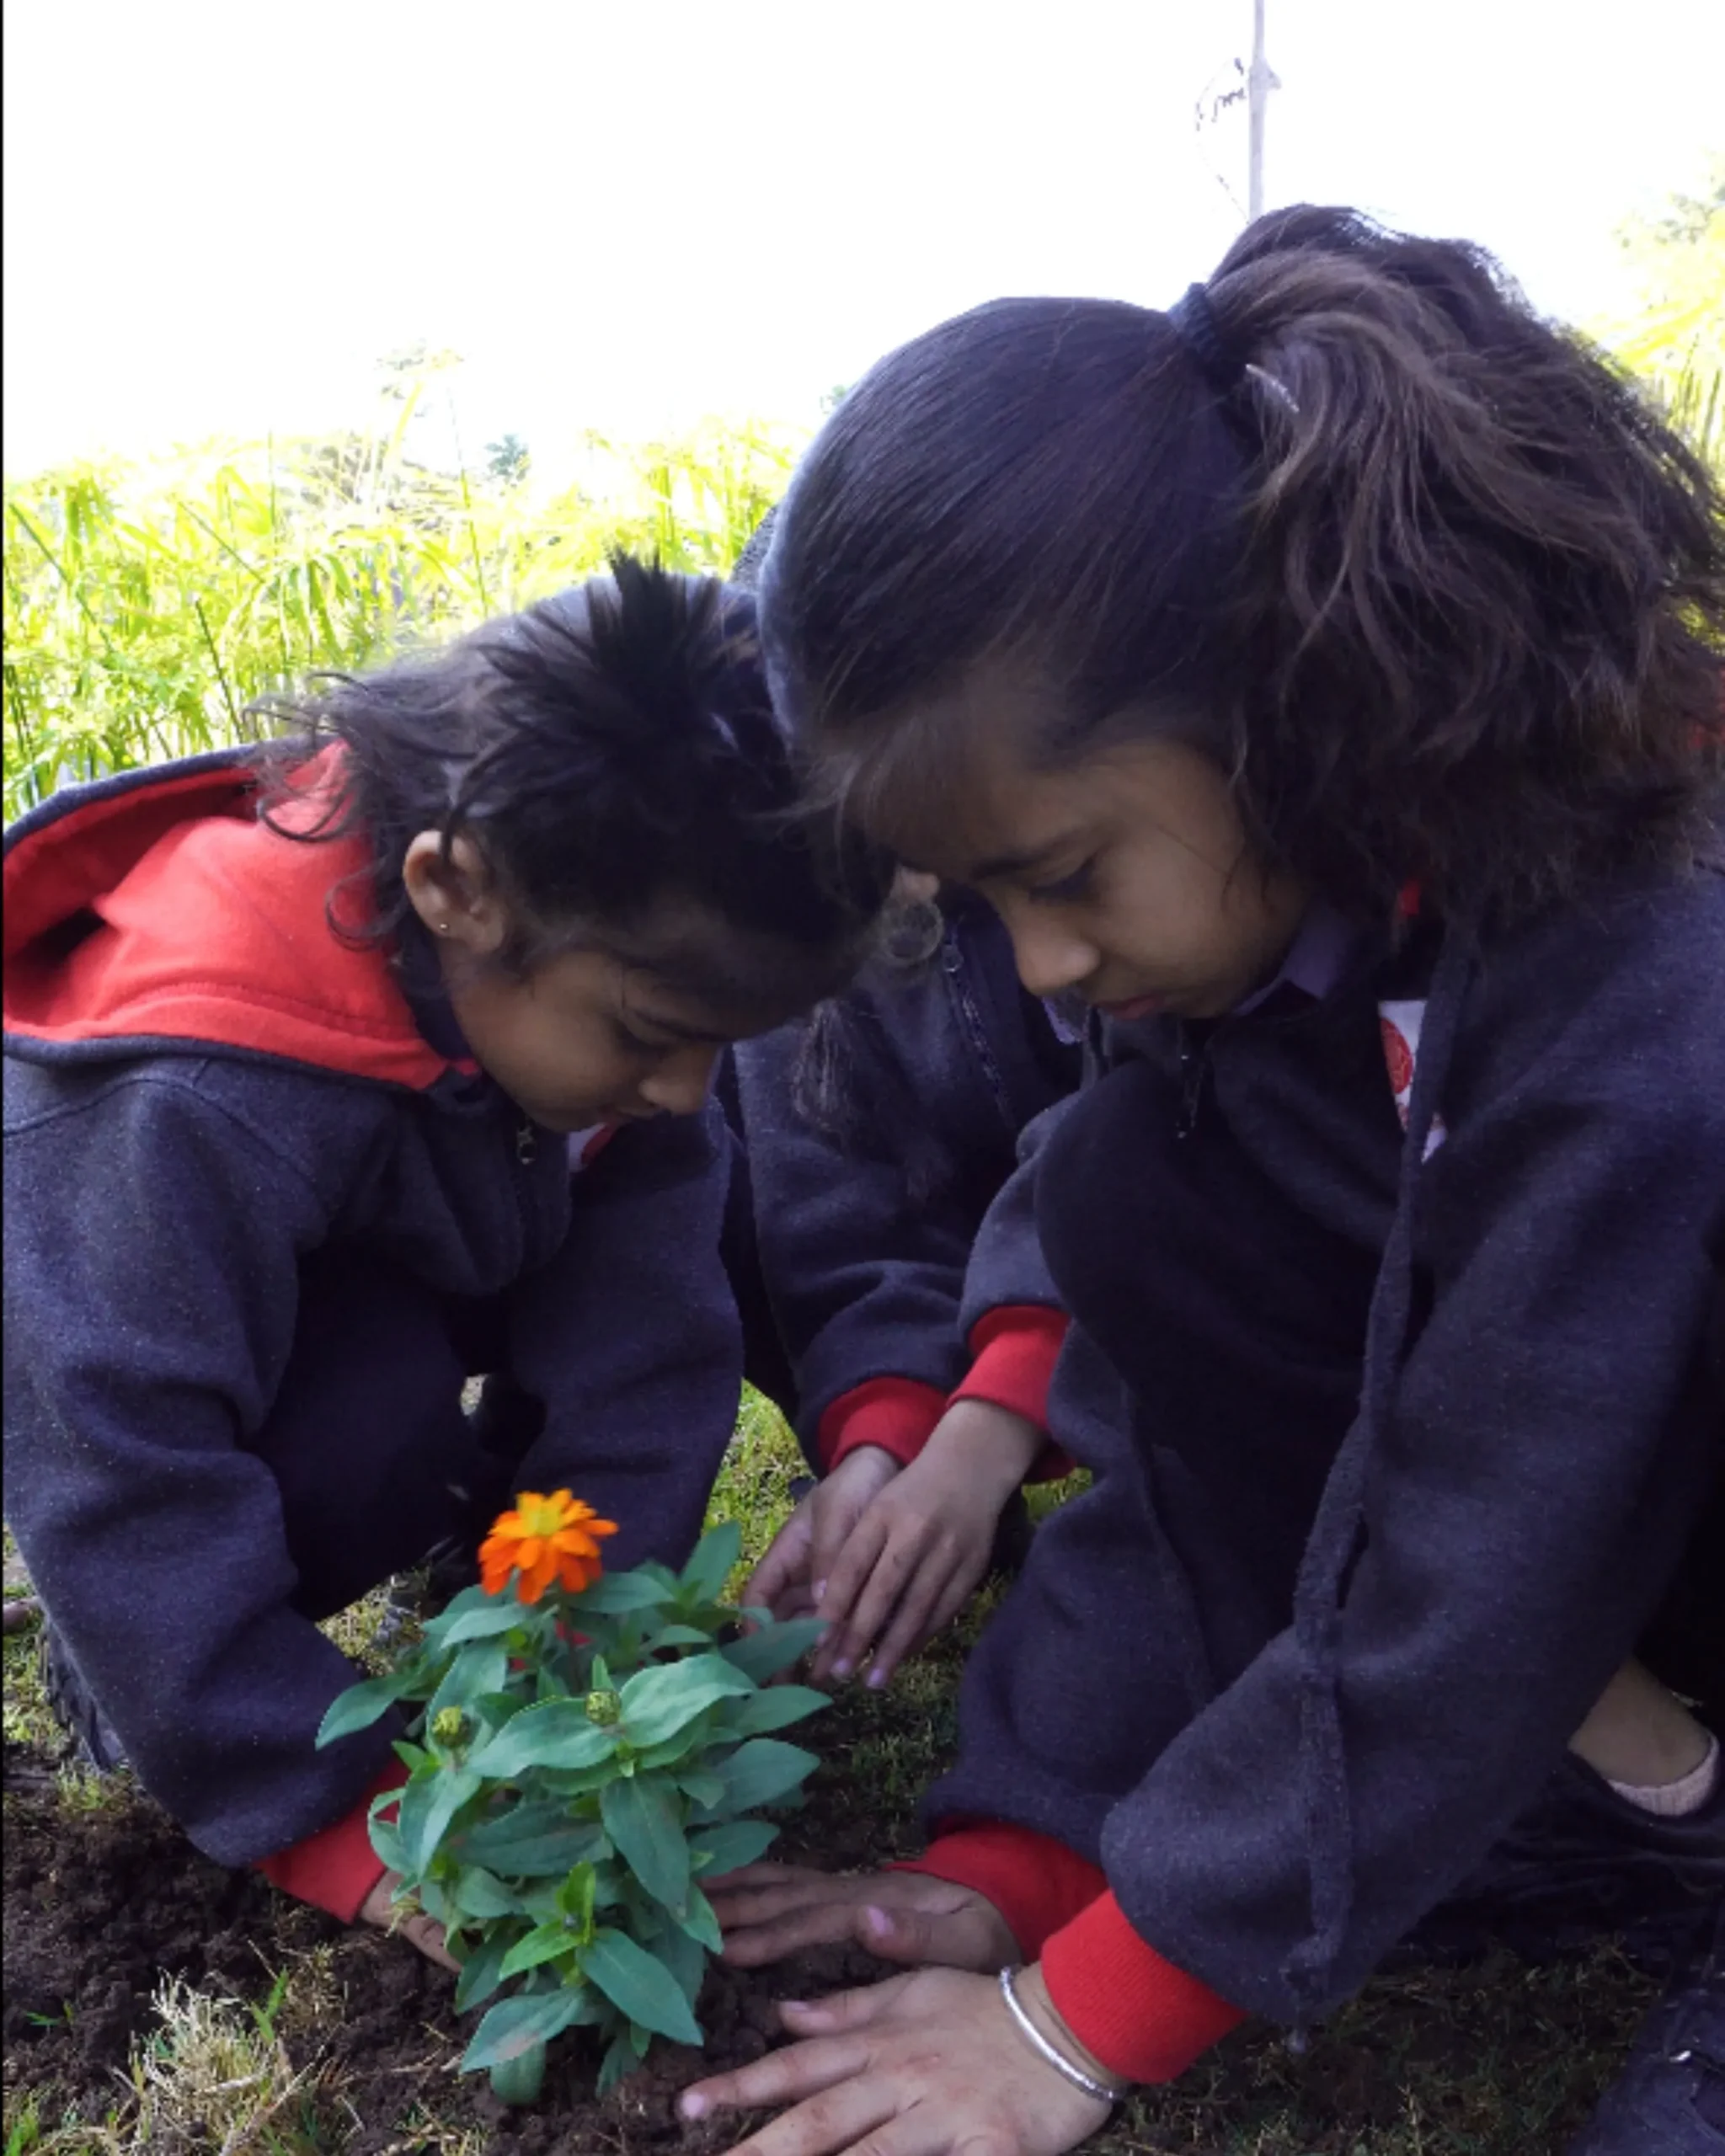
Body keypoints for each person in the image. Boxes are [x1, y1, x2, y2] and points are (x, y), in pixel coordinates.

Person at [673, 208, 1725, 2156]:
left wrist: (1068, 2028)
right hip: (1626, 1616)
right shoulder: (1287, 949)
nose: (1048, 965)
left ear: (1286, 694)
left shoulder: (1648, 960)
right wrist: (1035, 1852)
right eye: (987, 907)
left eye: (1061, 877)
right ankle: (1644, 1816)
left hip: (1598, 1526)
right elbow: (1192, 1473)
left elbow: (1481, 1534)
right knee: (1124, 1184)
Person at [2, 558, 887, 1968]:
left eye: (722, 1040)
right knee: (368, 1419)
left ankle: (477, 1605)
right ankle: (145, 1702)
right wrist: (336, 1823)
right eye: (654, 1033)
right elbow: (119, 1467)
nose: (686, 1088)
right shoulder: (185, 1083)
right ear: (454, 886)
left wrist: (568, 1665)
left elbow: (644, 1353)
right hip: (104, 1338)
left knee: (630, 1259)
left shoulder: (596, 1003)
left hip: (424, 1206)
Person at [731, 881, 1083, 1685]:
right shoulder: (786, 871)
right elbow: (837, 1208)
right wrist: (884, 1443)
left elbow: (1134, 1136)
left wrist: (989, 1428)